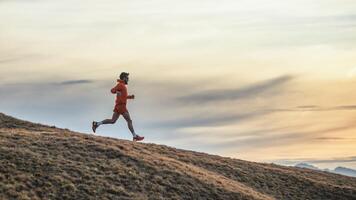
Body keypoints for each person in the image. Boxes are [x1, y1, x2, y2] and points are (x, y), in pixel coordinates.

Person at [92, 72, 144, 142]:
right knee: (129, 121)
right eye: (127, 78)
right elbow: (112, 90)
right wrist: (116, 92)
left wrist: (130, 97)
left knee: (113, 121)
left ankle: (96, 124)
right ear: (124, 78)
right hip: (121, 106)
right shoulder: (120, 85)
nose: (128, 79)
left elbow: (123, 96)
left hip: (118, 106)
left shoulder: (122, 86)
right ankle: (135, 136)